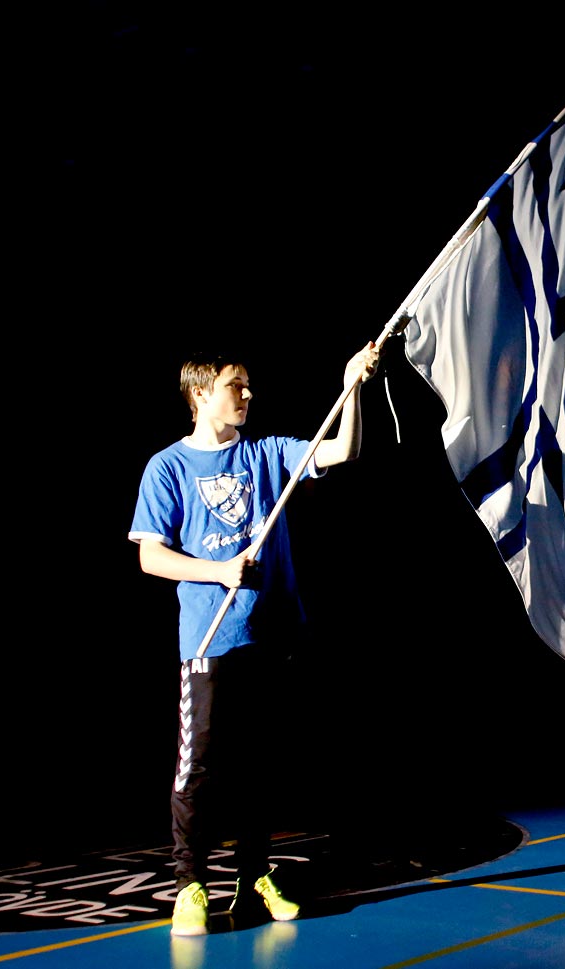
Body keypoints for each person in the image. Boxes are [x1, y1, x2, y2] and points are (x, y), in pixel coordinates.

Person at [128, 340, 380, 936]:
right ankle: (190, 886)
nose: (247, 394)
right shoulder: (167, 467)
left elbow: (343, 449)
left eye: (247, 385)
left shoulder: (266, 453)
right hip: (209, 641)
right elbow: (151, 559)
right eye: (234, 385)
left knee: (259, 768)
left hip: (272, 635)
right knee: (199, 770)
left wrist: (353, 386)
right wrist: (217, 570)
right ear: (200, 393)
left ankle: (253, 877)